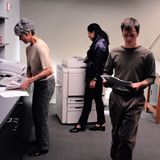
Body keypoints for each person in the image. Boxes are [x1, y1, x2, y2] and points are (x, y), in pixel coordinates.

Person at [103, 17, 155, 160]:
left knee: (126, 137)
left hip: (135, 99)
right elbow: (107, 72)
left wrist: (139, 84)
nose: (128, 38)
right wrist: (106, 81)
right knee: (116, 134)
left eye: (132, 35)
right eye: (126, 35)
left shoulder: (147, 54)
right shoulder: (115, 52)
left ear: (138, 33)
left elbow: (151, 77)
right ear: (122, 33)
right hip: (116, 98)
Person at [14, 18, 55, 157]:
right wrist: (27, 79)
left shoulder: (40, 46)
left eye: (21, 36)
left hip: (46, 83)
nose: (20, 39)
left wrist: (30, 80)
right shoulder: (29, 48)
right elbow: (30, 67)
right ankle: (40, 140)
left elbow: (49, 70)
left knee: (41, 114)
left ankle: (42, 146)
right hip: (38, 82)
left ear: (29, 32)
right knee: (36, 112)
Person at [70, 23, 109, 133]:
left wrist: (94, 79)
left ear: (93, 32)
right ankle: (101, 122)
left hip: (95, 77)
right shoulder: (99, 41)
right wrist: (88, 58)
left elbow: (98, 62)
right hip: (96, 76)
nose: (88, 36)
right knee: (97, 100)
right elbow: (94, 57)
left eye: (89, 34)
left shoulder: (100, 43)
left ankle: (80, 125)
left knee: (87, 100)